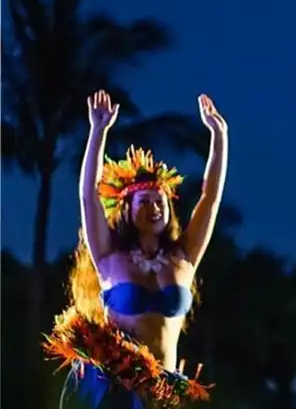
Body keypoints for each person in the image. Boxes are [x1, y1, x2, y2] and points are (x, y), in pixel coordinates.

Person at [44, 90, 229, 408]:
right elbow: (88, 196)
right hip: (115, 390)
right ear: (127, 210)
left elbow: (210, 199)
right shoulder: (109, 257)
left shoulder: (183, 258)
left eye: (160, 202)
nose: (154, 208)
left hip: (164, 389)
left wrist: (219, 136)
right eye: (144, 201)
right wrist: (98, 131)